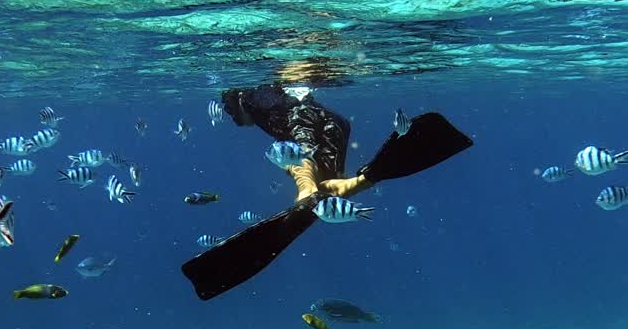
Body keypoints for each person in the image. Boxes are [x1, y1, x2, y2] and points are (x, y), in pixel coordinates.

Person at [181, 83, 473, 300]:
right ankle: (358, 182)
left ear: (235, 102)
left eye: (231, 113)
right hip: (335, 125)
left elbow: (298, 125)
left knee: (298, 157)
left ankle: (306, 190)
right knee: (328, 185)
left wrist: (302, 183)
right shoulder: (265, 99)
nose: (233, 119)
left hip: (307, 122)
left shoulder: (251, 97)